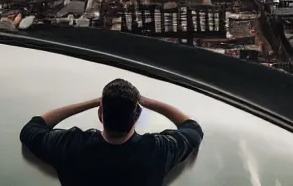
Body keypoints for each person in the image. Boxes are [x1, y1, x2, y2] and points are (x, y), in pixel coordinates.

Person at [20, 78, 204, 185]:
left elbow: (32, 128)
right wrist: (148, 102)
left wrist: (93, 102)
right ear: (137, 114)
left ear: (101, 114)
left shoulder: (70, 145)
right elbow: (192, 128)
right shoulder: (158, 150)